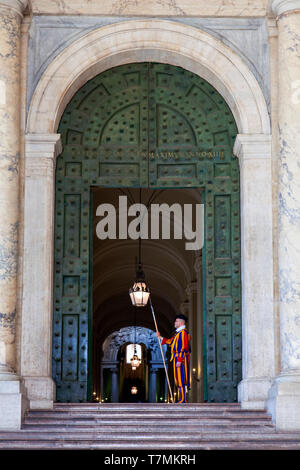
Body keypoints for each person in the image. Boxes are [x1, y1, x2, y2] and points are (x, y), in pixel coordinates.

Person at [156, 314, 191, 403]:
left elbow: (184, 347)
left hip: (181, 359)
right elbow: (170, 342)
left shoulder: (183, 334)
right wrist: (160, 337)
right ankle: (182, 398)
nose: (174, 323)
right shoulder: (177, 334)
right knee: (177, 379)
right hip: (176, 359)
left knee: (181, 379)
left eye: (176, 321)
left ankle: (183, 399)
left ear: (181, 322)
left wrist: (179, 360)